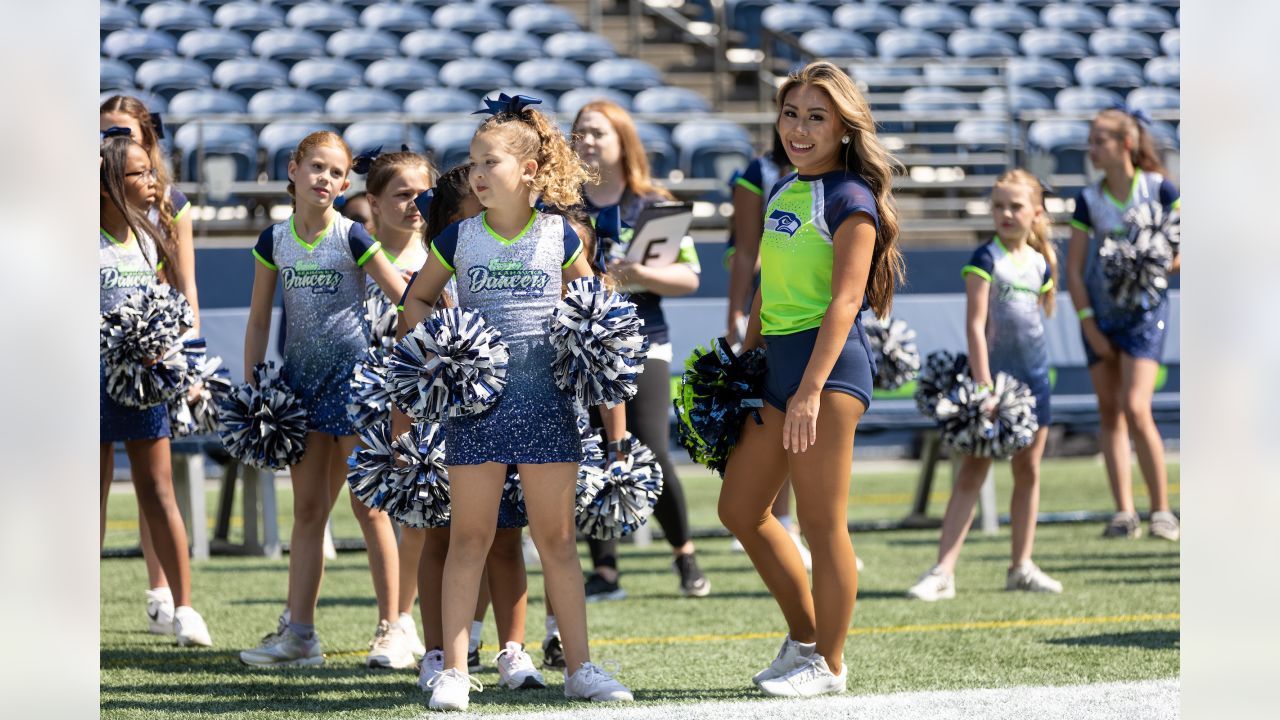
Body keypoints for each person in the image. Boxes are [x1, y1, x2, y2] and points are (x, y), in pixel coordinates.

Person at [397, 94, 632, 710]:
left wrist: (592, 338)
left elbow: (595, 311)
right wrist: (442, 341)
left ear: (529, 171)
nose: (476, 173)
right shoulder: (457, 237)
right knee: (469, 538)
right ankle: (453, 669)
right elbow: (416, 302)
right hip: (475, 411)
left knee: (554, 541)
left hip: (549, 406)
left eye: (490, 162)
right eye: (473, 162)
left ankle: (579, 668)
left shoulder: (560, 235)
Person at [717, 61, 904, 698]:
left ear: (844, 128)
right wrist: (741, 362)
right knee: (741, 509)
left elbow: (845, 302)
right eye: (791, 114)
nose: (799, 128)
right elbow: (769, 286)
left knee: (823, 526)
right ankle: (804, 640)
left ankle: (830, 663)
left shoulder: (850, 198)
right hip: (776, 370)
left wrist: (810, 390)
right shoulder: (782, 189)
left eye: (816, 117)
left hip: (828, 374)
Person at [237, 131, 412, 669]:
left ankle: (392, 630)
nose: (325, 180)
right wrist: (255, 388)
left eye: (336, 174)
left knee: (370, 510)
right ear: (293, 169)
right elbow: (261, 316)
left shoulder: (354, 234)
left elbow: (404, 297)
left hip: (357, 387)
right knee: (309, 511)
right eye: (317, 167)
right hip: (300, 389)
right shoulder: (274, 240)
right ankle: (301, 635)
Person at [404, 164, 548, 692]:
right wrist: (410, 432)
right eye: (475, 209)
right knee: (443, 539)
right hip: (449, 420)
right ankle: (439, 652)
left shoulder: (514, 256)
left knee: (508, 538)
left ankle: (514, 650)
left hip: (511, 412)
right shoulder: (439, 275)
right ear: (453, 220)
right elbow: (409, 361)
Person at [570, 99, 711, 603]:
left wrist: (643, 274)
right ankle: (604, 570)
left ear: (622, 141)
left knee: (648, 447)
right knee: (590, 451)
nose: (587, 141)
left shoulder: (655, 205)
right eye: (580, 132)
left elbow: (689, 278)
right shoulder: (561, 204)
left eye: (598, 133)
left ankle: (684, 553)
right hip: (583, 346)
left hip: (645, 341)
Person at [906, 169, 1065, 602]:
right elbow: (976, 328)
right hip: (991, 386)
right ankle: (943, 571)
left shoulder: (1041, 263)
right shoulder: (984, 258)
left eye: (1016, 206)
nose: (1006, 214)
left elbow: (1036, 322)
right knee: (972, 473)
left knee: (1028, 471)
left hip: (1034, 383)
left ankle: (1021, 565)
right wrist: (984, 388)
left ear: (1036, 212)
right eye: (998, 206)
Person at [99, 134, 212, 648]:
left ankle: (185, 609)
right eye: (140, 174)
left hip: (142, 385)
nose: (153, 182)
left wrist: (159, 350)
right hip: (88, 383)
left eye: (152, 171)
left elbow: (164, 304)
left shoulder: (149, 236)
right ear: (106, 185)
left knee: (159, 492)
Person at [1066, 108, 1180, 541]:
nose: (1091, 149)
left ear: (1125, 144)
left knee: (1136, 407)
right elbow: (1074, 270)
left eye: (1099, 140)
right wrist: (1088, 322)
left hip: (1144, 316)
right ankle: (1124, 513)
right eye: (1091, 140)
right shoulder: (1088, 199)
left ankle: (1163, 512)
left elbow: (1182, 246)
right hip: (1099, 317)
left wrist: (1151, 267)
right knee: (1110, 413)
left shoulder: (1159, 189)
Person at [723, 132, 820, 570]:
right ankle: (774, 518)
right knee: (765, 420)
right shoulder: (760, 175)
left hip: (808, 320)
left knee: (808, 433)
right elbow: (747, 251)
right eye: (792, 114)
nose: (801, 127)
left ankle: (796, 526)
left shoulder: (842, 185)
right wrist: (736, 315)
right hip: (764, 312)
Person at [356, 148, 435, 661]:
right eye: (400, 195)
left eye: (420, 194)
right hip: (368, 396)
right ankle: (395, 620)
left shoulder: (441, 255)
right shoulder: (354, 254)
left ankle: (409, 620)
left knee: (421, 513)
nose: (412, 205)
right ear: (374, 202)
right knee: (369, 506)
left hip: (427, 399)